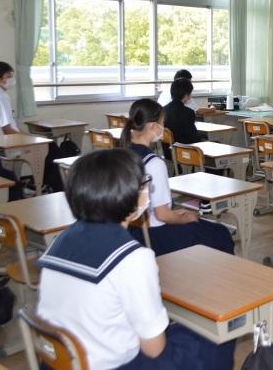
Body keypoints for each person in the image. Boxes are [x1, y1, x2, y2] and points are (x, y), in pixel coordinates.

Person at [37, 149, 235, 369]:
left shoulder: (60, 240)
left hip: (58, 362)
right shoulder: (134, 258)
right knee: (216, 337)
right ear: (126, 195)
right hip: (112, 366)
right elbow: (154, 349)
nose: (147, 188)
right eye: (144, 182)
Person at [120, 99, 234, 256]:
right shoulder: (154, 163)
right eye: (162, 123)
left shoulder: (120, 153)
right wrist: (187, 219)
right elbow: (162, 215)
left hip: (129, 232)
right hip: (154, 236)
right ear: (153, 126)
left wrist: (175, 214)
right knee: (220, 233)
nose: (163, 127)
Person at [162, 79, 199, 145]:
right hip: (184, 149)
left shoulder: (162, 110)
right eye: (190, 94)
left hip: (167, 149)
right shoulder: (188, 113)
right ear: (186, 95)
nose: (190, 96)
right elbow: (193, 138)